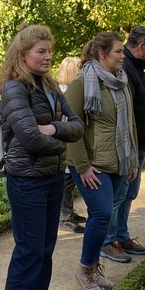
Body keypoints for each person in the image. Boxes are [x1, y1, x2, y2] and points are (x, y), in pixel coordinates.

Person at [0, 25, 84, 290]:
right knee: (28, 253)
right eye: (41, 52)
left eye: (49, 51)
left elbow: (77, 125)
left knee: (44, 250)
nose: (48, 57)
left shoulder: (48, 86)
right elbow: (30, 138)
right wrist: (60, 137)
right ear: (23, 55)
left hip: (51, 177)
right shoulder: (14, 89)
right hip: (27, 181)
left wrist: (55, 128)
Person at [65, 31, 138, 290]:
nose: (122, 56)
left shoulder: (121, 81)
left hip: (118, 160)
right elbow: (71, 129)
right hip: (91, 163)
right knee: (102, 214)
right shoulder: (82, 84)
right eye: (118, 51)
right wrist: (82, 166)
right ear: (102, 54)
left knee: (104, 215)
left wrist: (132, 159)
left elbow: (129, 123)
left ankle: (92, 270)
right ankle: (84, 270)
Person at [102, 25, 145, 258]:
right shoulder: (126, 69)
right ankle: (109, 240)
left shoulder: (136, 68)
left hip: (138, 145)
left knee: (128, 193)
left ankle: (121, 236)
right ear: (142, 46)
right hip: (127, 146)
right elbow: (124, 112)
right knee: (119, 194)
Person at [55, 56, 86, 233]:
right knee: (66, 183)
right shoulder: (64, 92)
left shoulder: (64, 90)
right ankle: (64, 217)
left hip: (67, 141)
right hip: (65, 144)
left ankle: (69, 212)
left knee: (70, 182)